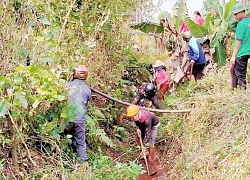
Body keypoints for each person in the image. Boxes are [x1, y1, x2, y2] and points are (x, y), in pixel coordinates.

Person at [64, 65, 92, 164]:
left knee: (64, 138)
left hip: (67, 119)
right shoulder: (87, 89)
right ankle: (83, 165)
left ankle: (64, 160)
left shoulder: (66, 85)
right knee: (80, 142)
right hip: (80, 121)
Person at [230, 2, 250, 90]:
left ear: (241, 12)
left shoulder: (241, 24)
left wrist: (233, 56)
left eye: (235, 14)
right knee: (234, 71)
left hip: (241, 53)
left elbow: (238, 41)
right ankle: (234, 89)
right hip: (247, 51)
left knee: (240, 75)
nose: (235, 17)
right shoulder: (249, 22)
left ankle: (242, 91)